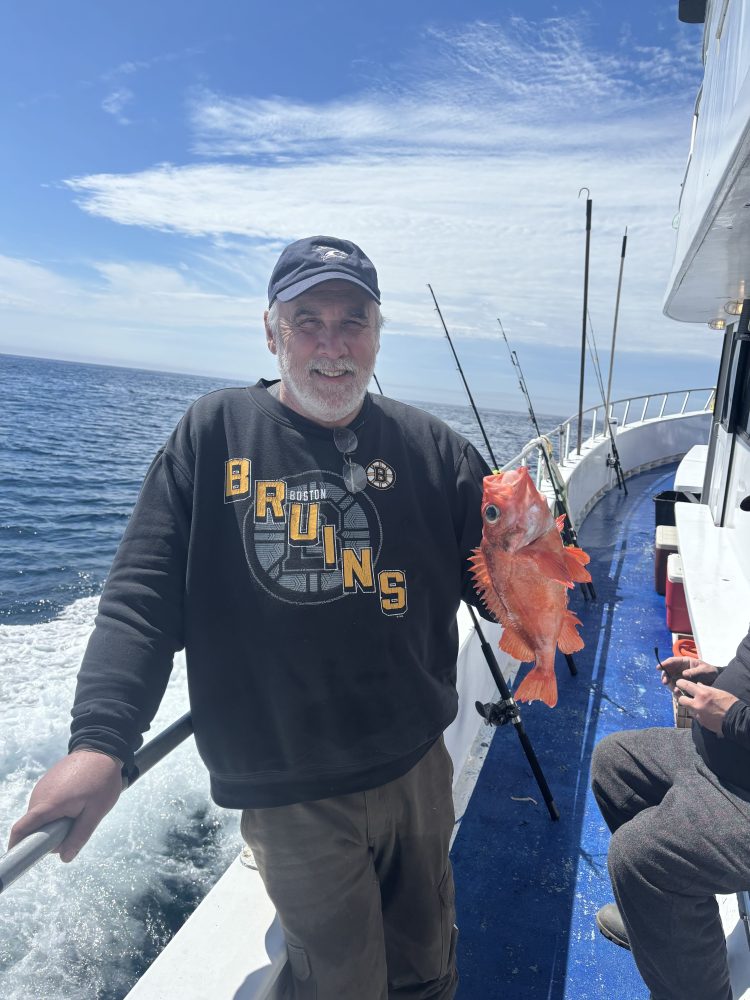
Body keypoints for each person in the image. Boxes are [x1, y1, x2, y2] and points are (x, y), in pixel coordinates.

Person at [8, 236, 493, 1000]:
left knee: (429, 961)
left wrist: (540, 554)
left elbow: (505, 589)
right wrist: (101, 743)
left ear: (378, 333)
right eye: (308, 321)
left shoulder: (437, 449)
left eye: (353, 321)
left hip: (416, 767)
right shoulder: (212, 433)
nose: (332, 345)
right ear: (271, 332)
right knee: (341, 983)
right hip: (288, 784)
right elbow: (139, 602)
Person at [591, 629, 750, 1000]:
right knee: (614, 764)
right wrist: (717, 676)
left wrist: (733, 717)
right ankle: (664, 935)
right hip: (726, 761)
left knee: (640, 856)